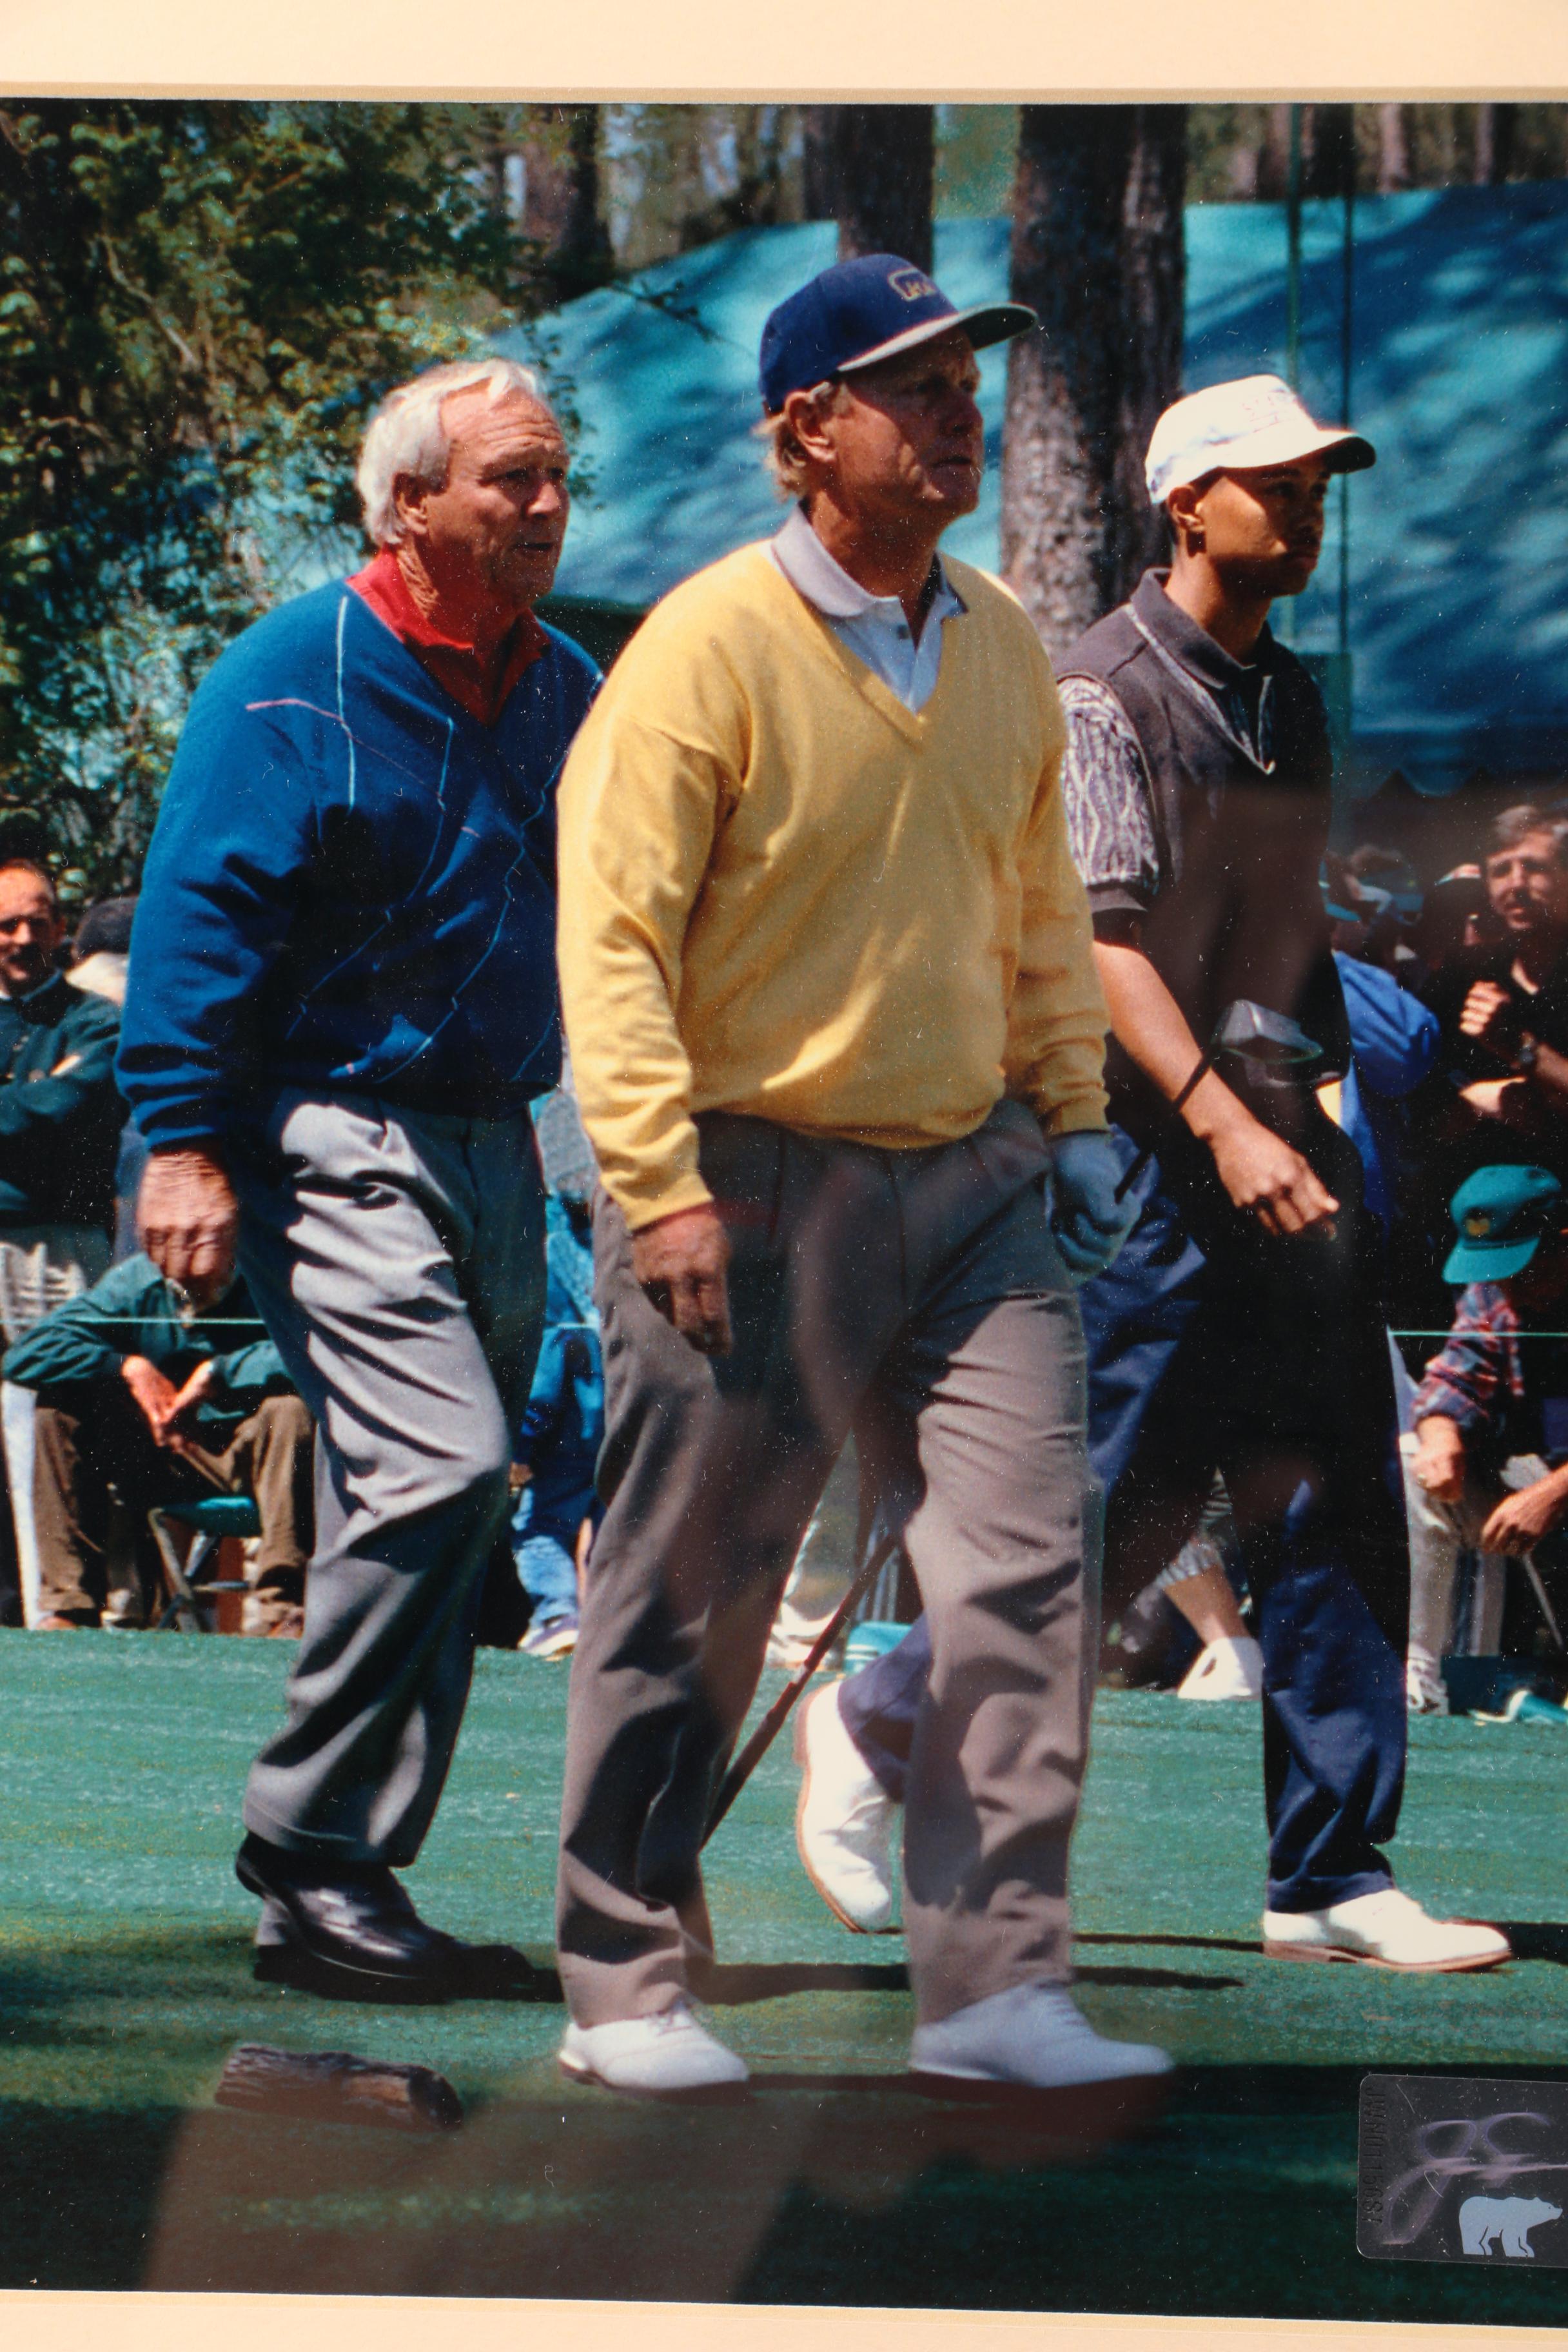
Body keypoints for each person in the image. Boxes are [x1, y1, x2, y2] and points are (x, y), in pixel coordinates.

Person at [551, 253, 1168, 2102]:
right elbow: (612, 939)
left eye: (969, 376)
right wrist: (655, 1183)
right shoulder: (701, 649)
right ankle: (627, 1984)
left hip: (977, 1180)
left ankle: (990, 1990)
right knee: (692, 1582)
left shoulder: (994, 638)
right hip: (737, 1175)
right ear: (803, 430)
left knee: (1024, 1580)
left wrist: (1074, 1118)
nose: (959, 409)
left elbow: (1041, 911)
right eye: (915, 384)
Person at [806, 374, 1509, 1976]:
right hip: (1129, 1162)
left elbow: (1278, 931)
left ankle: (1326, 1873)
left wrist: (1316, 1106)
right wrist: (1225, 1122)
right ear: (1186, 503)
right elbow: (1100, 950)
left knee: (1330, 1487)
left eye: (1323, 480)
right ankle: (886, 1721)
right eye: (1281, 480)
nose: (1312, 504)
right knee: (1085, 1524)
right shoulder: (1096, 693)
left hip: (1268, 1144)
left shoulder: (1292, 698)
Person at [117, 356, 599, 2002]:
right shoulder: (287, 676)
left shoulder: (562, 685)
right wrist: (181, 1141)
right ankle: (309, 1841)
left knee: (456, 1510)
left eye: (554, 479)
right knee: (445, 1467)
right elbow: (195, 913)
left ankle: (346, 1890)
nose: (544, 507)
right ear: (408, 506)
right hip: (324, 1126)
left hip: (498, 1127)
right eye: (508, 481)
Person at [3, 1251, 313, 1634]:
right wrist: (126, 1367)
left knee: (289, 1410)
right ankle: (69, 1607)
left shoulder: (272, 1270)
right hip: (156, 1451)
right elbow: (24, 1354)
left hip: (247, 1457)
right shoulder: (138, 1281)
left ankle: (282, 1613)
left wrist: (220, 1373)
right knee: (56, 1409)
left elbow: (322, 1348)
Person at [1404, 1164, 1568, 1710]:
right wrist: (1440, 1435)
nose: (1505, 1286)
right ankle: (1421, 1681)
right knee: (1412, 1458)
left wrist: (1551, 1494)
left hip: (1552, 1495)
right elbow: (1453, 1378)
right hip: (1539, 1497)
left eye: (1519, 1268)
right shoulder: (1493, 1294)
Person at [0, 861, 124, 1336]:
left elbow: (63, 1106)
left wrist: (36, 1099)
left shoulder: (94, 1020)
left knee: (61, 1393)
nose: (24, 939)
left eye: (37, 923)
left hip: (63, 1241)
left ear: (60, 929)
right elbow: (34, 1104)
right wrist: (29, 1096)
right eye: (8, 925)